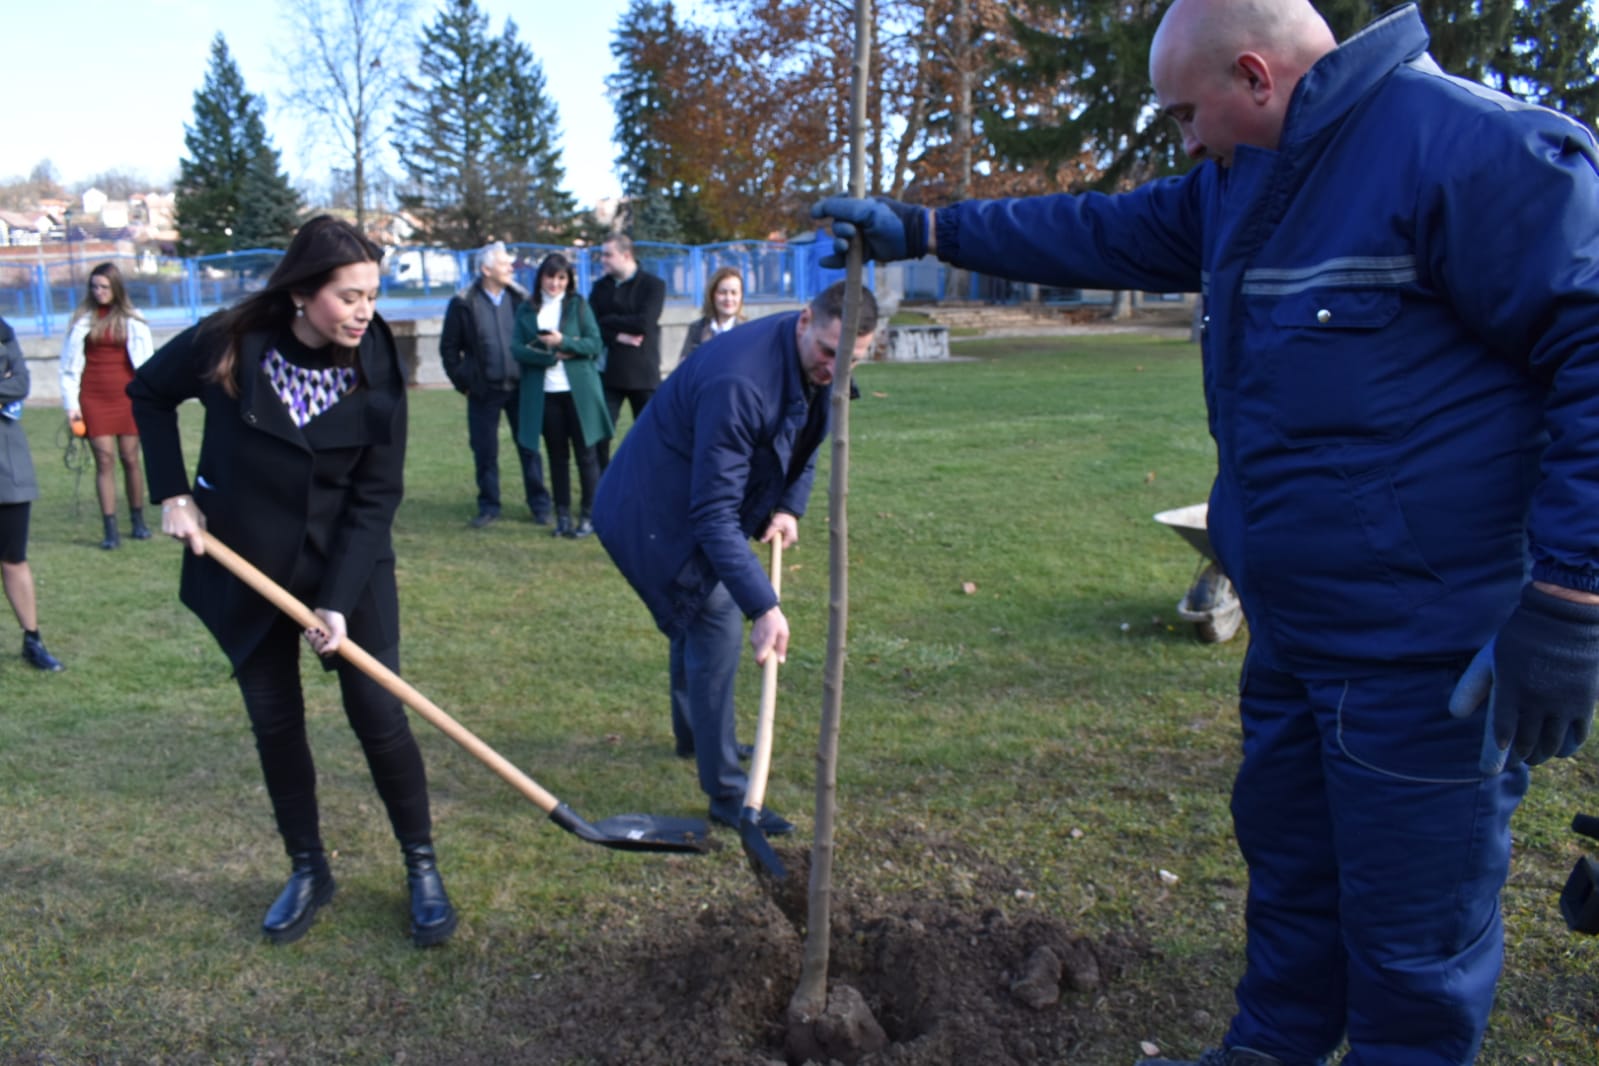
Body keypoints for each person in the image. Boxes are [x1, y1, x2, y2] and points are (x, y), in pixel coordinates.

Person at [815, 2, 1599, 1064]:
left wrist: (1571, 594)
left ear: (1254, 74)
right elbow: (1097, 229)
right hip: (1292, 634)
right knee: (1290, 882)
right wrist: (931, 227)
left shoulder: (1469, 152)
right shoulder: (1246, 178)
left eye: (1188, 113)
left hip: (1422, 651)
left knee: (1412, 942)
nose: (1182, 138)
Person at [128, 216, 457, 949]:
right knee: (275, 723)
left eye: (372, 294)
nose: (364, 311)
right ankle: (308, 868)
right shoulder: (230, 342)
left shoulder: (376, 361)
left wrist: (336, 603)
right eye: (349, 296)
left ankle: (421, 866)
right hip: (244, 564)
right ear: (304, 294)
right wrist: (173, 492)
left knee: (379, 716)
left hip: (347, 567)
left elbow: (377, 496)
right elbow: (147, 392)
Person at [592, 280, 878, 834]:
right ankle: (727, 793)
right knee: (715, 615)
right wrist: (764, 607)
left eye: (852, 360)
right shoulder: (741, 382)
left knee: (697, 614)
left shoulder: (816, 365)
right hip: (651, 510)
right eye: (828, 352)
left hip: (686, 499)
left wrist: (789, 506)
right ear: (803, 321)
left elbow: (808, 435)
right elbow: (713, 516)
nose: (836, 370)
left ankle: (695, 735)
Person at [439, 241, 553, 528]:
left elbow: (535, 338)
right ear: (486, 269)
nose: (510, 268)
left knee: (529, 447)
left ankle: (540, 506)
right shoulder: (463, 302)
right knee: (485, 451)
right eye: (504, 264)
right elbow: (449, 349)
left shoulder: (521, 299)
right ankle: (489, 506)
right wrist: (464, 383)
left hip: (519, 388)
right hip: (483, 391)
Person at [511, 253, 613, 539]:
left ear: (568, 280)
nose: (555, 283)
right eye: (550, 276)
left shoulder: (579, 305)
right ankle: (563, 516)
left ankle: (589, 516)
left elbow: (595, 343)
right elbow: (516, 348)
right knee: (557, 457)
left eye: (561, 278)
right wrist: (549, 356)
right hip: (546, 393)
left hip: (578, 392)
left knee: (586, 455)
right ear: (540, 277)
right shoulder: (527, 308)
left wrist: (564, 342)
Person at [60, 262, 155, 549]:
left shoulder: (133, 321)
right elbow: (69, 368)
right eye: (94, 287)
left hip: (126, 397)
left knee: (130, 458)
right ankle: (110, 527)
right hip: (94, 397)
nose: (98, 292)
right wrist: (71, 406)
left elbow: (148, 362)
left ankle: (138, 520)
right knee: (104, 459)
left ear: (115, 288)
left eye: (104, 287)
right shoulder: (83, 322)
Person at [1, 316, 64, 672]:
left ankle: (32, 639)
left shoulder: (4, 333)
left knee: (13, 557)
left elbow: (21, 383)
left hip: (7, 467)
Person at [588, 234, 666, 471]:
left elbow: (644, 322)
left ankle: (648, 487)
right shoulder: (600, 288)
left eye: (608, 254)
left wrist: (608, 320)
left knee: (651, 437)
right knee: (600, 437)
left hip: (643, 374)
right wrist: (616, 335)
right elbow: (590, 324)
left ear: (626, 255)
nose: (603, 260)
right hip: (609, 374)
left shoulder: (653, 285)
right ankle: (604, 486)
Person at [678, 266, 747, 362]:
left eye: (734, 293)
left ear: (741, 297)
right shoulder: (696, 329)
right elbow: (684, 366)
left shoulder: (747, 331)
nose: (728, 298)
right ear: (712, 295)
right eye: (722, 292)